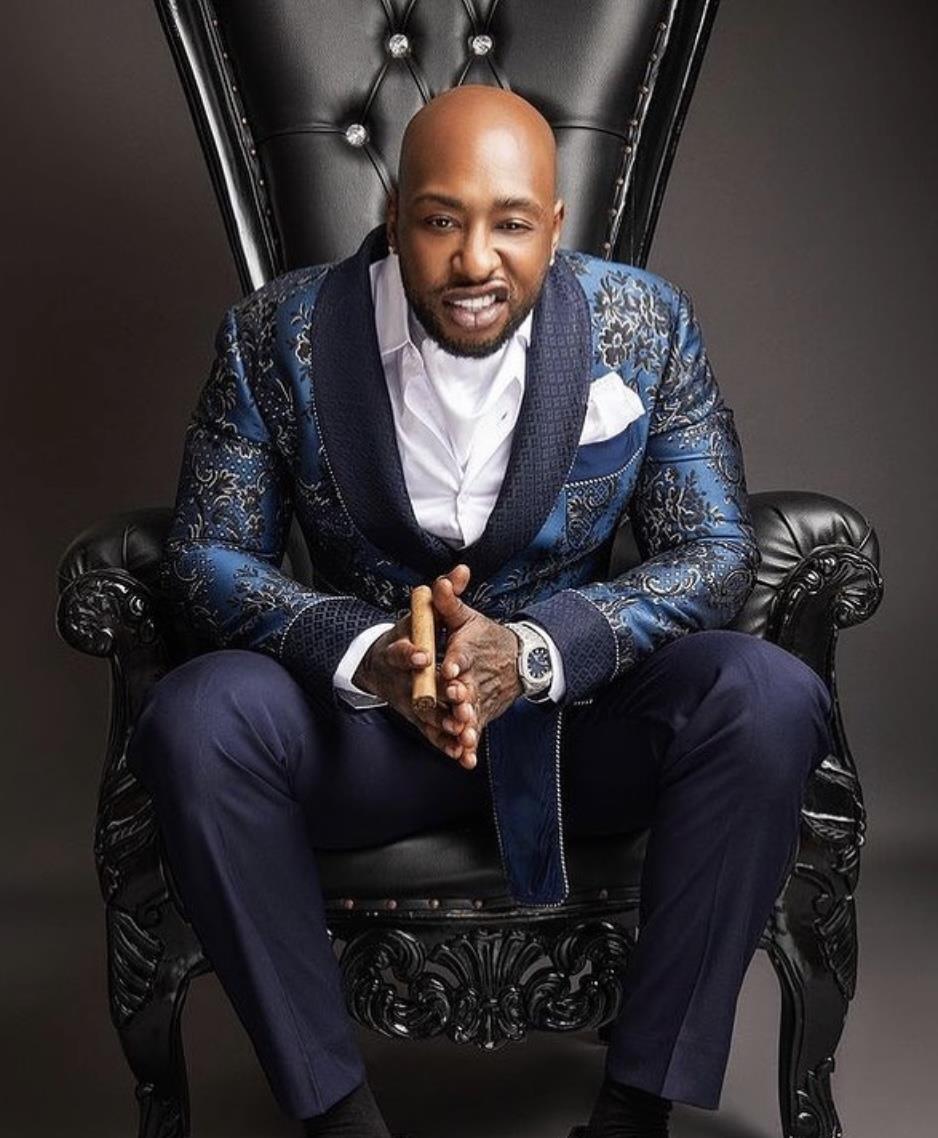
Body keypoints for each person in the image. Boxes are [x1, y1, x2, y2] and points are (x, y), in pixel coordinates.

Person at [127, 85, 832, 1137]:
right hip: (364, 739)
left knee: (766, 694)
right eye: (440, 220)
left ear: (555, 225)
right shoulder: (274, 334)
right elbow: (206, 556)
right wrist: (366, 651)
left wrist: (540, 649)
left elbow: (715, 551)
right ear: (395, 215)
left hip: (574, 734)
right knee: (195, 717)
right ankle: (337, 1120)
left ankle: (633, 1112)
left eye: (511, 223)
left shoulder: (645, 324)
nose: (474, 262)